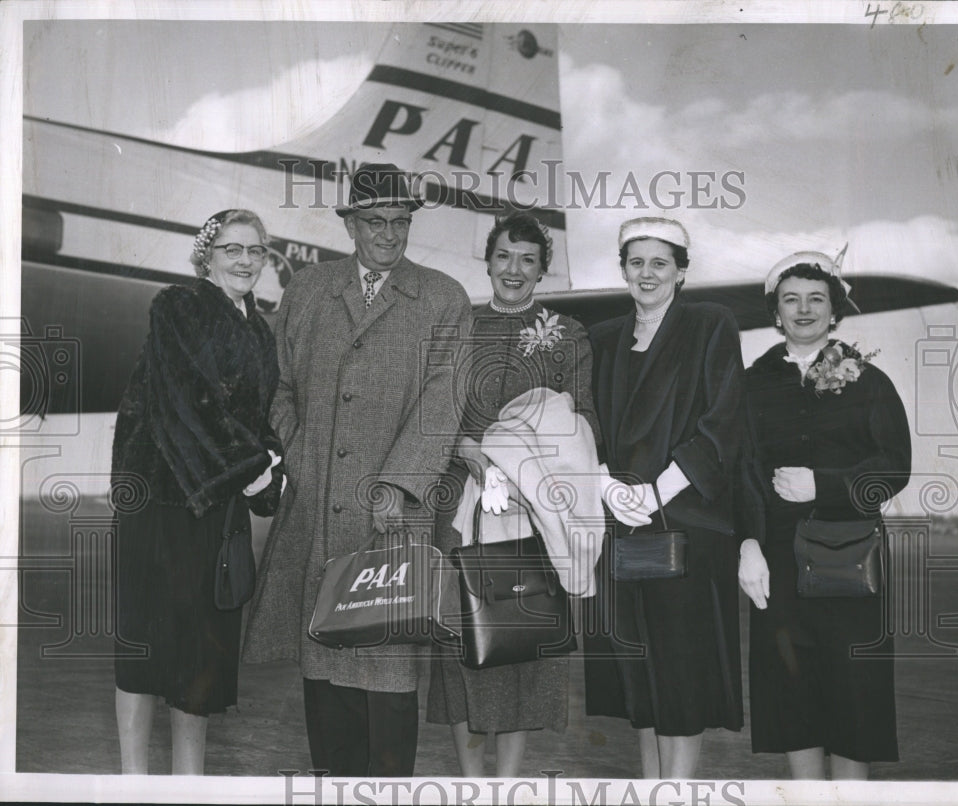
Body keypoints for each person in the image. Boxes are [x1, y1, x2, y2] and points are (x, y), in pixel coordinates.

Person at [242, 164, 472, 777]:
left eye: (401, 223)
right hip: (316, 504)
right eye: (375, 222)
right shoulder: (310, 290)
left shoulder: (443, 297)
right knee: (324, 667)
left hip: (394, 513)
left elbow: (444, 400)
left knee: (389, 669)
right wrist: (300, 456)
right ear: (350, 224)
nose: (390, 236)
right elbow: (278, 385)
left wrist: (400, 484)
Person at [425, 212, 601, 777]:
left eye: (528, 260)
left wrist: (526, 474)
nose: (514, 270)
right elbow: (428, 414)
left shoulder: (567, 335)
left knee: (522, 645)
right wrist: (471, 453)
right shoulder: (458, 327)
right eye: (504, 257)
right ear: (488, 261)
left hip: (535, 512)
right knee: (461, 645)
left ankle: (506, 785)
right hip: (461, 508)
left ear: (543, 270)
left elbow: (582, 421)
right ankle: (472, 784)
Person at [111, 209, 284, 774]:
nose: (244, 260)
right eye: (231, 249)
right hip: (161, 506)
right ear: (206, 255)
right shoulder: (178, 307)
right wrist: (256, 467)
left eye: (254, 251)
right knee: (145, 651)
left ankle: (191, 785)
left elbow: (254, 415)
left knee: (200, 661)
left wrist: (270, 458)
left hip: (216, 509)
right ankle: (134, 783)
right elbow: (189, 401)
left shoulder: (259, 328)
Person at [737, 249, 911, 779]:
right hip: (778, 563)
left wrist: (826, 486)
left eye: (816, 299)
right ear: (776, 312)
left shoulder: (869, 380)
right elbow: (739, 470)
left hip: (850, 561)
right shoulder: (753, 382)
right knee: (791, 691)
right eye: (791, 299)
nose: (804, 309)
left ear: (835, 311)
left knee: (855, 694)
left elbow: (894, 467)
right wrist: (746, 545)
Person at [583, 216, 744, 778]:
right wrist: (604, 481)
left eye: (659, 263)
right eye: (635, 262)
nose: (646, 274)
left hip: (684, 523)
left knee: (682, 671)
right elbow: (585, 422)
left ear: (682, 271)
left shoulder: (710, 325)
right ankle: (653, 786)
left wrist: (659, 489)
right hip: (619, 526)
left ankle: (679, 788)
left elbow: (723, 420)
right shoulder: (603, 338)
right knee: (637, 671)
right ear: (622, 269)